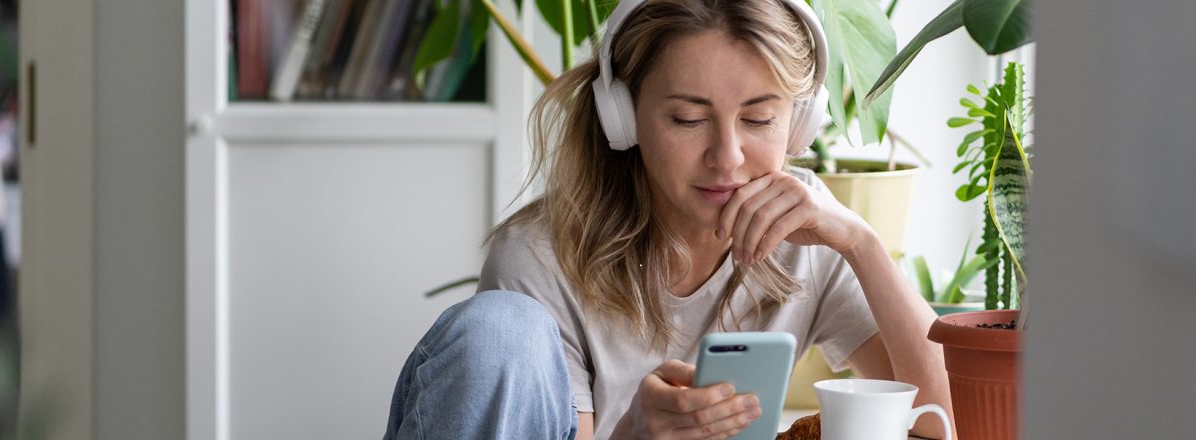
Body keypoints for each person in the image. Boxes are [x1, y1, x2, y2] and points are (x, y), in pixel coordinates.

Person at [383, 0, 952, 439]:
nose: (727, 157)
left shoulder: (808, 230)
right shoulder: (538, 259)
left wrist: (861, 241)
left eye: (759, 119)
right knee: (497, 330)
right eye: (686, 118)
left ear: (800, 124)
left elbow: (946, 419)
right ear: (621, 117)